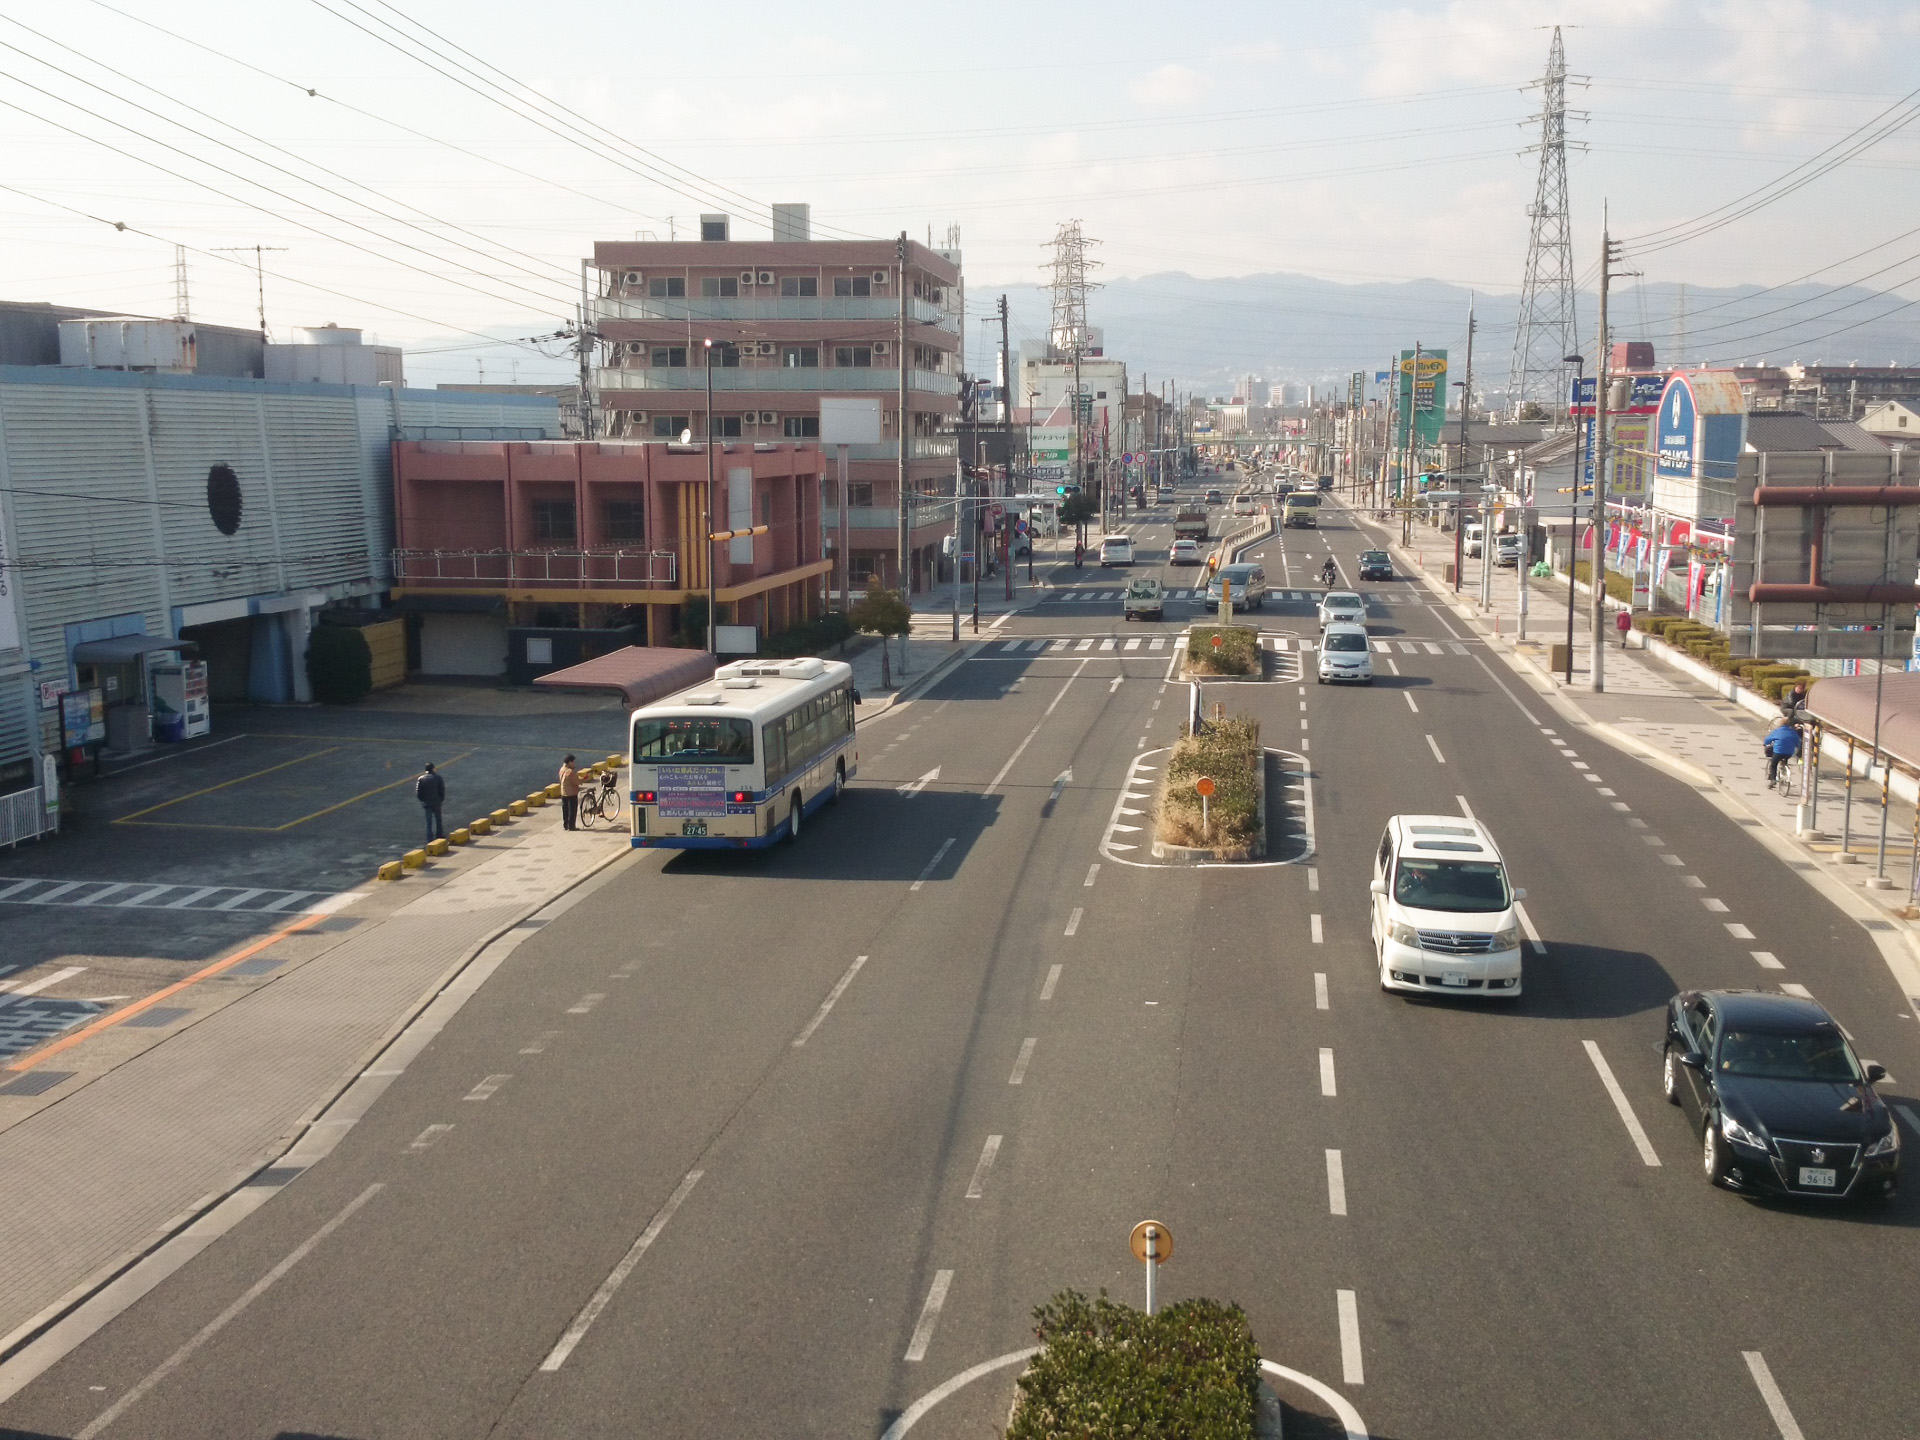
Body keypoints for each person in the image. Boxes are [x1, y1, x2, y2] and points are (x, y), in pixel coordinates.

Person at [1762, 720, 1801, 789]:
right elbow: (1798, 742)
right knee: (1785, 758)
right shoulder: (1792, 732)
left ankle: (1773, 780)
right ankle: (1784, 767)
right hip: (1789, 752)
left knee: (1773, 765)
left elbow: (1768, 739)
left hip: (1778, 752)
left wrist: (1765, 744)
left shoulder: (1777, 731)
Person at [415, 761, 446, 842]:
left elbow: (418, 792)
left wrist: (423, 800)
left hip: (426, 803)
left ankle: (430, 838)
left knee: (429, 821)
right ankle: (439, 835)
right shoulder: (438, 778)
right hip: (436, 802)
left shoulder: (421, 779)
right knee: (438, 819)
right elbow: (442, 790)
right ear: (433, 768)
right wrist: (440, 799)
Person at [558, 754, 580, 831]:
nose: (574, 763)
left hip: (563, 792)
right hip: (571, 793)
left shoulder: (561, 769)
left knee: (565, 810)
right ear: (570, 762)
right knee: (572, 810)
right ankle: (571, 826)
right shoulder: (570, 771)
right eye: (573, 762)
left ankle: (566, 825)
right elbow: (576, 782)